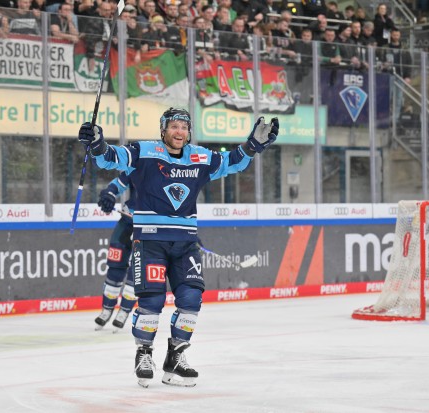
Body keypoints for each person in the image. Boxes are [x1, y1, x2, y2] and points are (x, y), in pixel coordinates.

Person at [78, 108, 280, 388]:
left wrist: (253, 145)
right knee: (151, 303)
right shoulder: (144, 151)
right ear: (163, 130)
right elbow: (111, 158)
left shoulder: (200, 157)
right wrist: (97, 142)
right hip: (150, 241)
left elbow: (233, 162)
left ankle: (176, 356)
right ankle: (144, 353)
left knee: (191, 300)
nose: (179, 132)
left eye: (184, 127)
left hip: (185, 243)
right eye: (174, 126)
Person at [93, 173, 138, 332]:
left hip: (150, 227)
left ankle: (124, 311)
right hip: (126, 222)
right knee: (115, 265)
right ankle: (107, 309)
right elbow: (117, 184)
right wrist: (109, 195)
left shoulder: (168, 167)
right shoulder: (137, 162)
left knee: (137, 270)